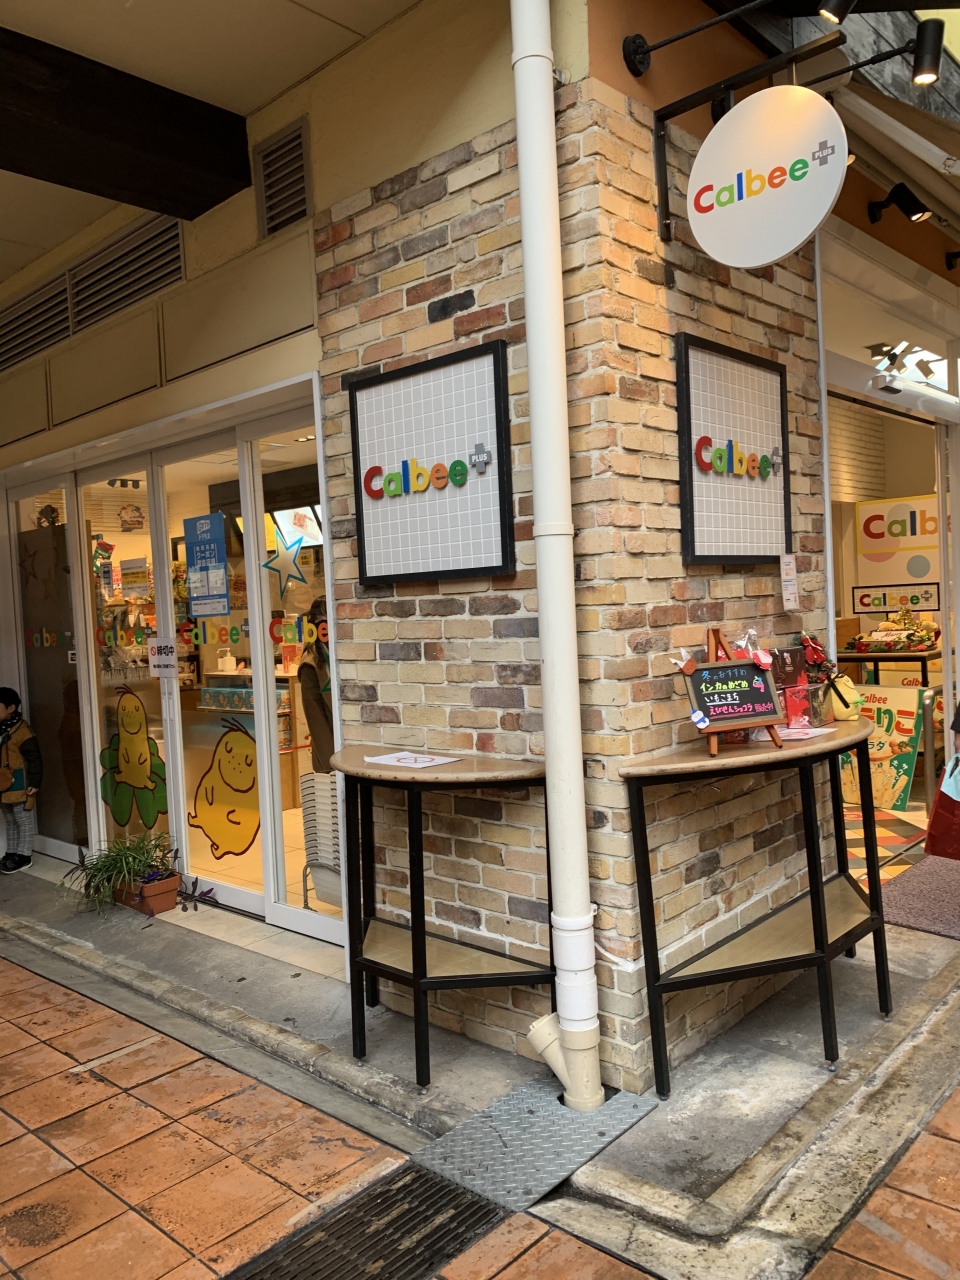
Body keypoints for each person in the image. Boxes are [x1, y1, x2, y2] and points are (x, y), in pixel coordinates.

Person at [0, 688, 42, 874]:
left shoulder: (23, 731)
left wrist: (34, 782)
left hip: (21, 783)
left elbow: (35, 759)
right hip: (3, 783)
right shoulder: (2, 730)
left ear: (11, 708)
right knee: (10, 820)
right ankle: (11, 854)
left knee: (23, 819)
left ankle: (24, 856)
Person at [298, 598, 334, 773]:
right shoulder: (311, 664)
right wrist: (331, 766)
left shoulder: (338, 654)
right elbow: (316, 721)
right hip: (331, 754)